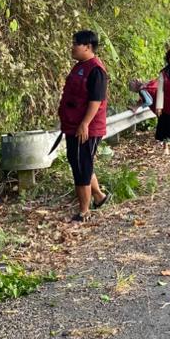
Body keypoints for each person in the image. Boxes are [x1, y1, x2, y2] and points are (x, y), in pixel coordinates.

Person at [58, 30, 110, 222]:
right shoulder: (79, 67)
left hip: (86, 127)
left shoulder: (96, 70)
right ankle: (99, 196)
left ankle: (84, 211)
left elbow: (96, 101)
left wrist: (84, 124)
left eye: (75, 43)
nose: (72, 46)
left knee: (82, 167)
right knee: (79, 162)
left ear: (87, 47)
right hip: (73, 125)